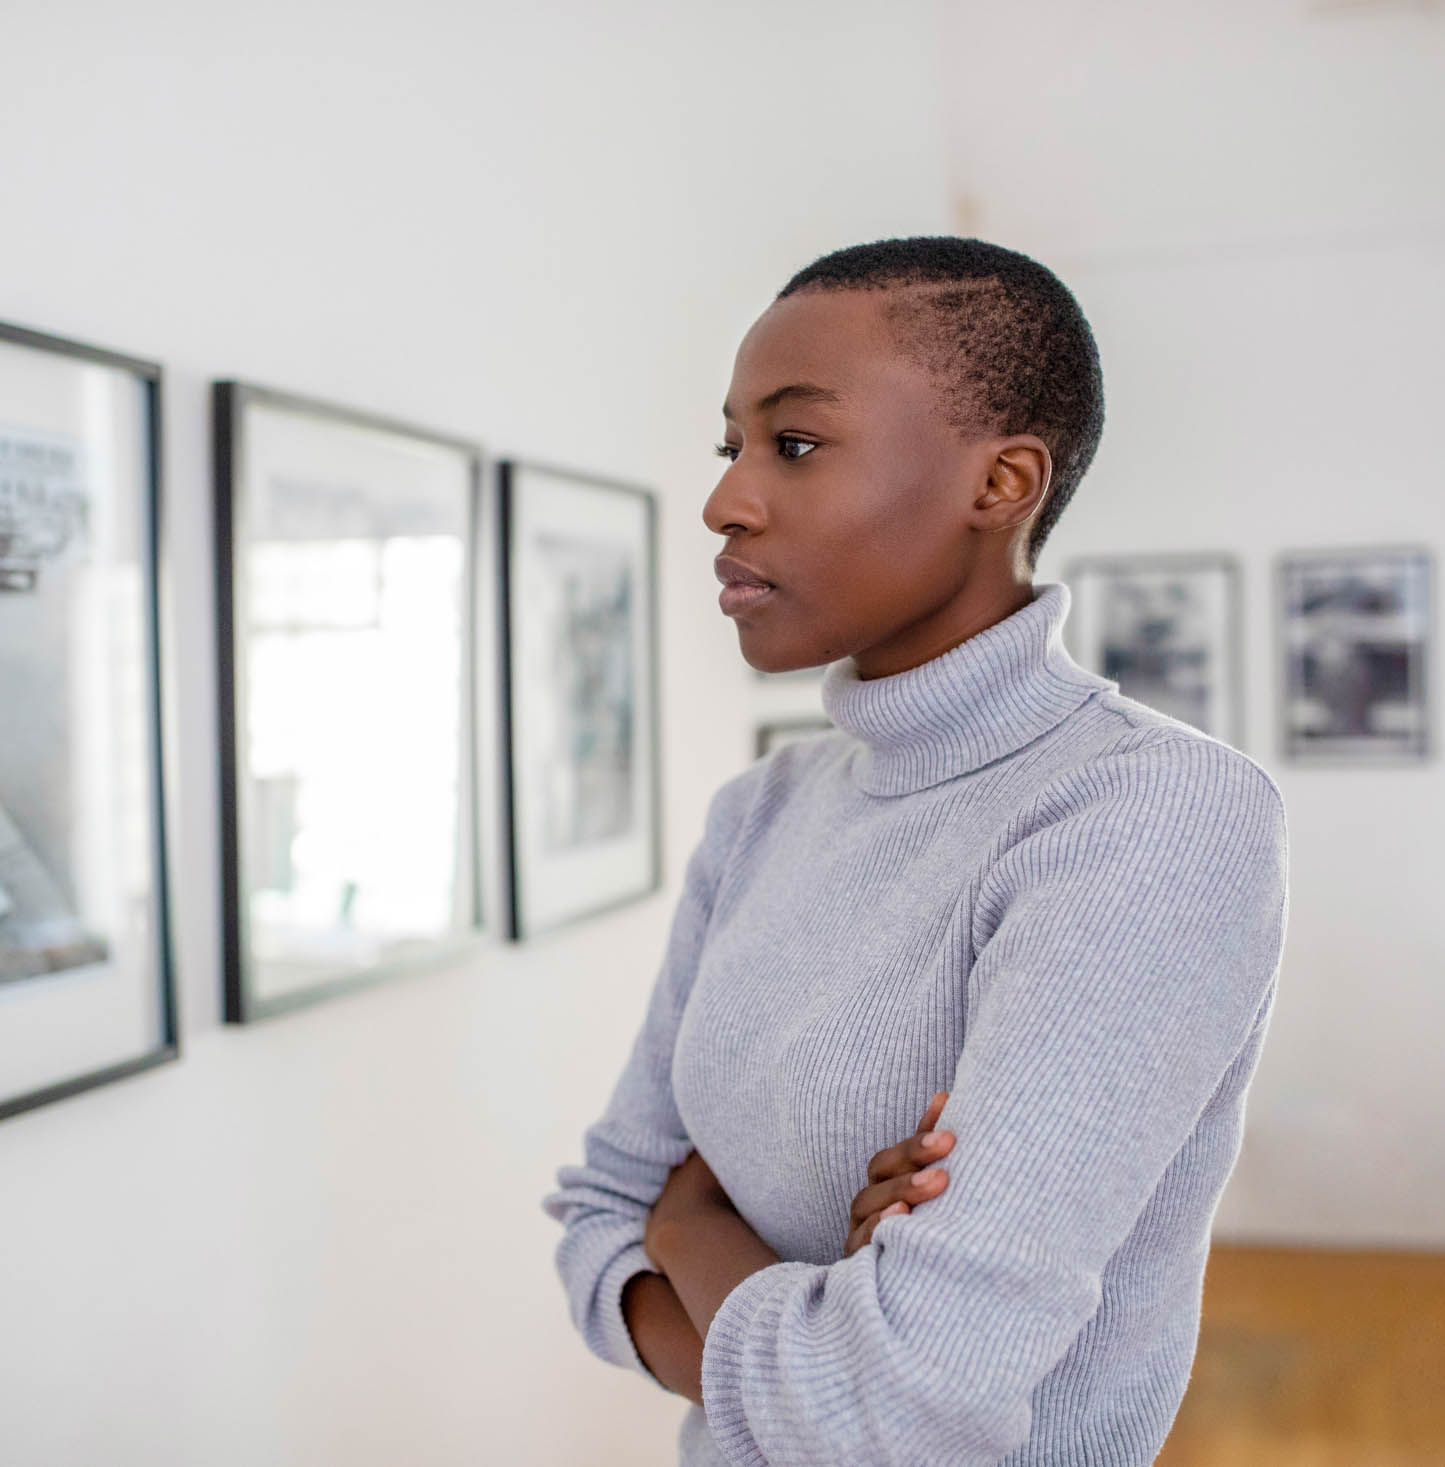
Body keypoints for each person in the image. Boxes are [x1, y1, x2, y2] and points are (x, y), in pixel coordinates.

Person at [540, 237, 1289, 1467]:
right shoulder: (765, 811)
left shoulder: (1149, 816)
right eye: (730, 446)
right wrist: (809, 1300)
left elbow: (895, 1420)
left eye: (793, 444)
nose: (726, 500)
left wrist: (696, 1229)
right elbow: (600, 1218)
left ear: (1001, 484)